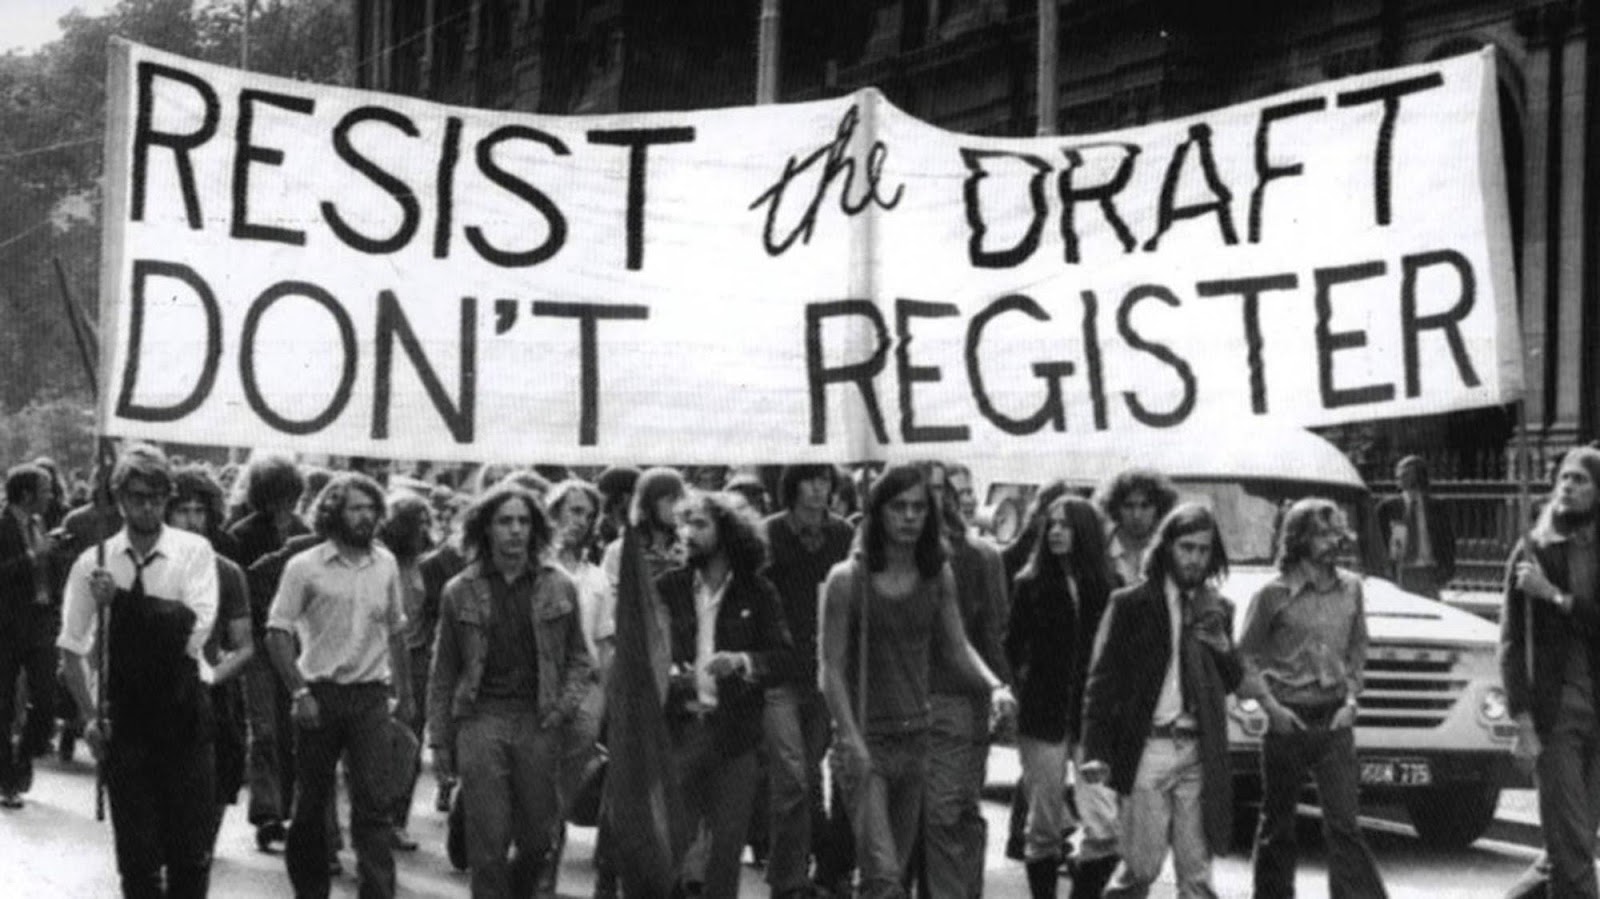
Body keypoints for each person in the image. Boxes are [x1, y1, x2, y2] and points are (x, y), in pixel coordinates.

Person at [818, 464, 1016, 899]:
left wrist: (995, 687)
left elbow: (957, 646)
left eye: (918, 508)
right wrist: (849, 739)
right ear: (878, 512)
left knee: (893, 873)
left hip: (916, 740)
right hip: (866, 741)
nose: (909, 517)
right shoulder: (847, 579)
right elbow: (830, 669)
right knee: (884, 876)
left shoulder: (936, 574)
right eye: (898, 507)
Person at [57, 444, 220, 897]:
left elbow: (191, 630)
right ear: (119, 499)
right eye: (136, 497)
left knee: (190, 853)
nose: (147, 507)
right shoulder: (94, 563)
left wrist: (123, 603)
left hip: (184, 713)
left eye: (156, 497)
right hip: (125, 718)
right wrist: (90, 716)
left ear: (167, 498)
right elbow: (71, 647)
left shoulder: (194, 552)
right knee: (138, 857)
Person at [427, 483, 594, 899]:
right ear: (486, 528)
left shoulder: (560, 585)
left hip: (539, 718)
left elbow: (580, 658)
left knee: (538, 838)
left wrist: (563, 708)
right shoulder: (459, 590)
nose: (515, 530)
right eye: (505, 521)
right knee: (489, 840)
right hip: (481, 716)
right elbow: (443, 671)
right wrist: (440, 740)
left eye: (523, 521)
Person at [264, 473, 414, 899]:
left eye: (371, 508)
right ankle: (310, 890)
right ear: (333, 513)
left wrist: (405, 695)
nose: (365, 517)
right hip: (320, 692)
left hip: (370, 695)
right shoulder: (305, 566)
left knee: (374, 804)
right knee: (311, 804)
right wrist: (299, 692)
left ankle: (377, 892)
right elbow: (277, 632)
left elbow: (397, 630)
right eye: (355, 508)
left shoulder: (385, 564)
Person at [1080, 503, 1242, 899]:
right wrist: (1096, 749)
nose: (1195, 558)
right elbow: (1103, 682)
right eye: (1187, 548)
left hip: (1197, 750)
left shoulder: (1217, 608)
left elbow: (1232, 682)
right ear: (1167, 547)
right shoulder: (1131, 604)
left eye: (1203, 549)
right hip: (1149, 748)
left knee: (1197, 876)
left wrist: (1223, 648)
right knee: (1141, 867)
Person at [1236, 498, 1387, 899]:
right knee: (1278, 824)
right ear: (1299, 538)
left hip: (1334, 719)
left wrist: (1352, 700)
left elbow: (1358, 647)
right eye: (1323, 533)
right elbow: (1244, 657)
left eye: (1337, 532)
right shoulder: (1272, 594)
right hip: (1288, 718)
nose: (1334, 541)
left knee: (1345, 825)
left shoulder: (1351, 588)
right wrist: (1271, 708)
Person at [656, 490, 796, 898]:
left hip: (736, 734)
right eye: (685, 523)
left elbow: (784, 658)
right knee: (670, 845)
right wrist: (667, 674)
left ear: (728, 532)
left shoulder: (758, 591)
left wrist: (742, 661)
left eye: (700, 524)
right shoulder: (667, 587)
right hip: (680, 729)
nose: (688, 532)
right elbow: (644, 652)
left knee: (727, 847)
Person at [1005, 496, 1117, 899]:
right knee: (1044, 825)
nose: (1055, 532)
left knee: (1104, 824)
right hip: (1042, 716)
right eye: (1050, 524)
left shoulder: (1109, 586)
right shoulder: (1030, 584)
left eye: (1065, 525)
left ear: (1083, 532)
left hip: (1093, 719)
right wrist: (1018, 691)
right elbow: (1011, 646)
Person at [1500, 447, 1600, 899]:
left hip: (1597, 712)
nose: (1569, 486)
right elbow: (1511, 644)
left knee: (1568, 845)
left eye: (1581, 480)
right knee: (1573, 850)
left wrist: (1554, 596)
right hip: (1555, 716)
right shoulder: (1532, 550)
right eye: (1564, 478)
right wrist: (1522, 721)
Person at [761, 464, 857, 899]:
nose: (818, 490)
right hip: (779, 672)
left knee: (812, 776)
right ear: (793, 486)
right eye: (810, 481)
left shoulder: (843, 534)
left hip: (824, 670)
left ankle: (815, 866)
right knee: (793, 778)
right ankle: (788, 879)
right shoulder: (770, 534)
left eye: (825, 482)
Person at [917, 459, 1012, 899]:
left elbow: (991, 634)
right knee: (913, 819)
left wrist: (1000, 691)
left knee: (951, 810)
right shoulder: (883, 552)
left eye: (940, 490)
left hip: (959, 699)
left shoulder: (979, 557)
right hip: (898, 700)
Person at [166, 465, 256, 849]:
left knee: (219, 778)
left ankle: (201, 849)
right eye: (182, 510)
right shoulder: (145, 565)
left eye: (199, 511)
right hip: (154, 689)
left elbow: (244, 645)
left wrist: (215, 675)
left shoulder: (227, 572)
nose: (192, 520)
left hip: (209, 691)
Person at [0, 463, 59, 807]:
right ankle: (6, 778)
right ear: (26, 495)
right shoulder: (3, 525)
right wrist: (32, 556)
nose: (51, 496)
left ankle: (25, 754)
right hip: (8, 626)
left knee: (47, 698)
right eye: (45, 490)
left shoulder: (40, 523)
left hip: (40, 623)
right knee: (4, 704)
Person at [379, 492, 434, 852]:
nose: (424, 529)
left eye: (428, 522)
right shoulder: (382, 560)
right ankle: (374, 814)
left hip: (417, 659)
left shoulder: (429, 564)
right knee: (377, 742)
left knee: (411, 741)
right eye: (418, 522)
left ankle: (398, 819)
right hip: (380, 656)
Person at [1376, 456, 1456, 599]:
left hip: (1428, 571)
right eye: (1398, 472)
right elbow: (1377, 540)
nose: (1398, 476)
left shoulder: (1437, 507)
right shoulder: (1388, 507)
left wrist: (1446, 570)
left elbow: (1447, 540)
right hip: (1400, 571)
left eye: (1404, 472)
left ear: (1418, 475)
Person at [1093, 470, 1179, 589]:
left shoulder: (1169, 551)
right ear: (1115, 508)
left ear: (1159, 509)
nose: (1136, 515)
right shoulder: (1099, 550)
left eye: (1145, 506)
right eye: (1128, 506)